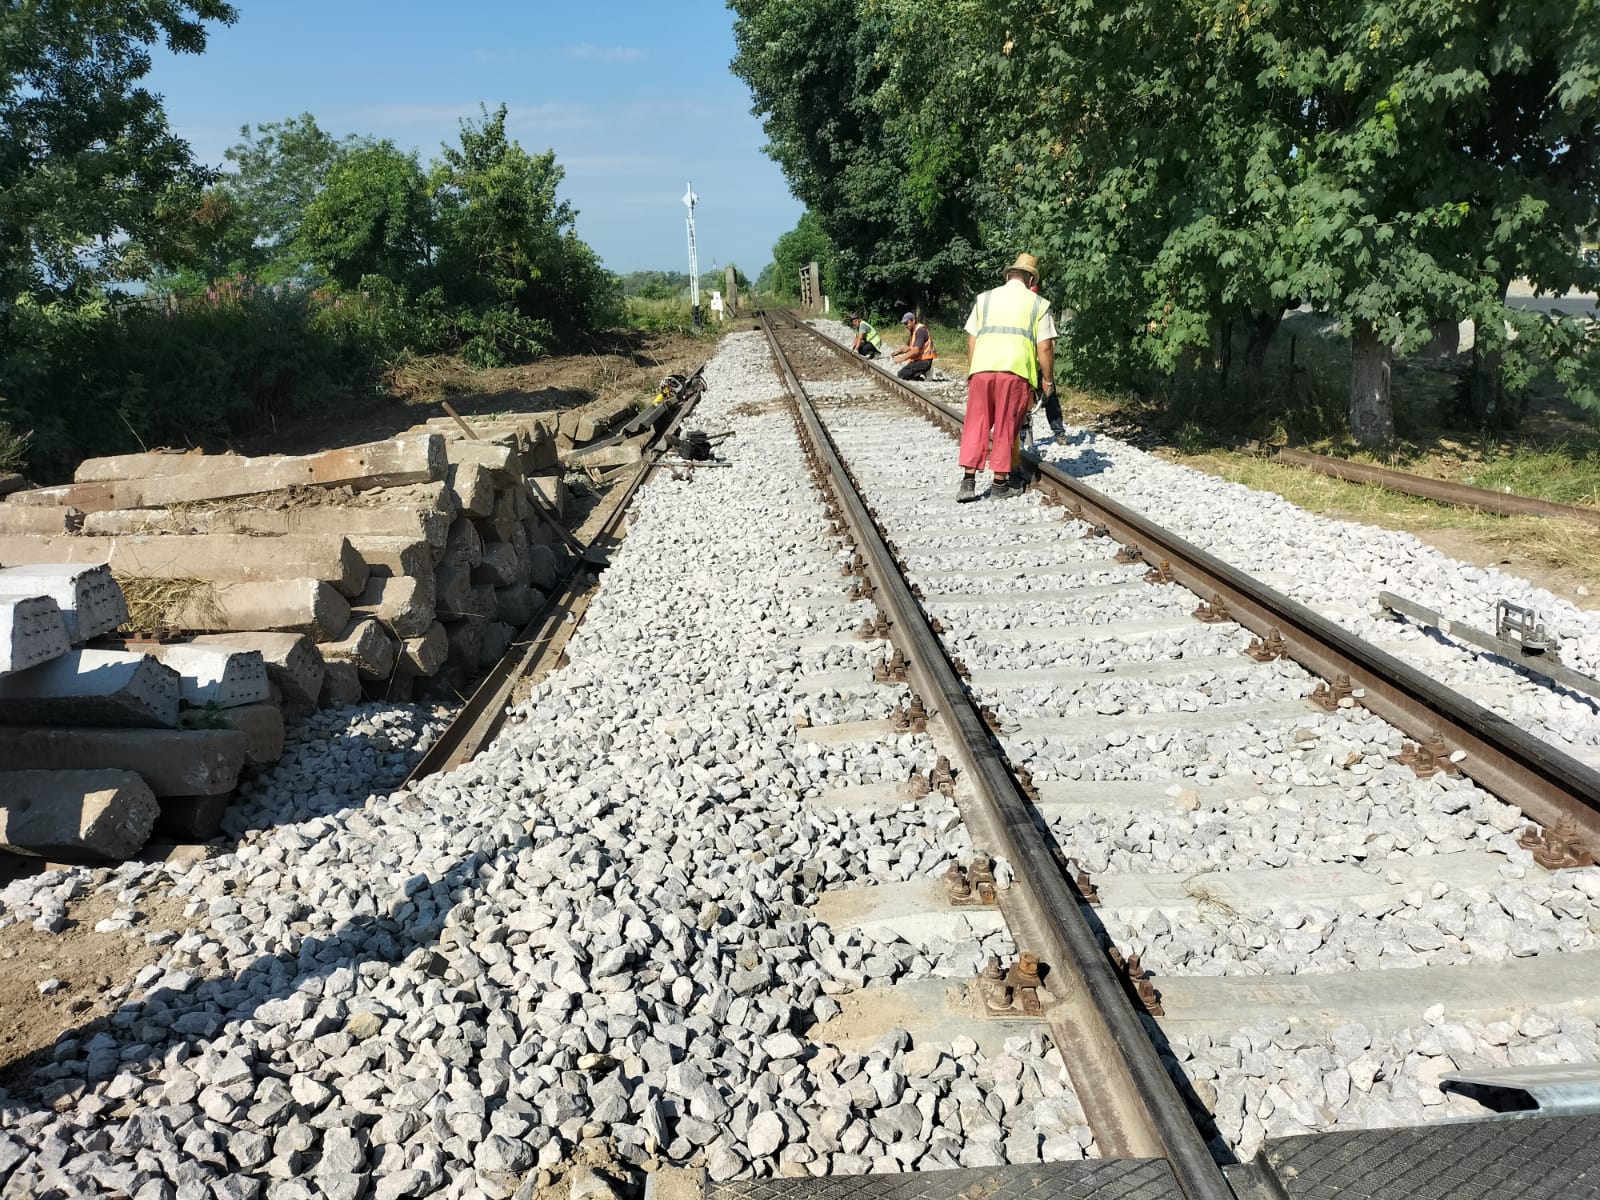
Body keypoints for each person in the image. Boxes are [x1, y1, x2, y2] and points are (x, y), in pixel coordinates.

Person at [956, 253, 1057, 502]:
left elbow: (972, 341)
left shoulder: (984, 299)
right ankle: (999, 485)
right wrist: (1048, 380)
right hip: (1015, 371)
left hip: (981, 369)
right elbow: (1045, 347)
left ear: (1008, 275)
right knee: (1005, 425)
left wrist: (975, 371)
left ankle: (968, 482)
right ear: (1031, 279)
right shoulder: (1038, 304)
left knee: (976, 423)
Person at [890, 311, 936, 380]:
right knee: (904, 373)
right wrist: (898, 352)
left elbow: (916, 350)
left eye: (907, 323)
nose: (906, 326)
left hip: (925, 360)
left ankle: (927, 370)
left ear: (913, 321)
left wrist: (901, 359)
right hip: (919, 359)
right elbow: (907, 347)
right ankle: (921, 372)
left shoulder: (920, 331)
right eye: (904, 324)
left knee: (902, 374)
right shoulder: (913, 331)